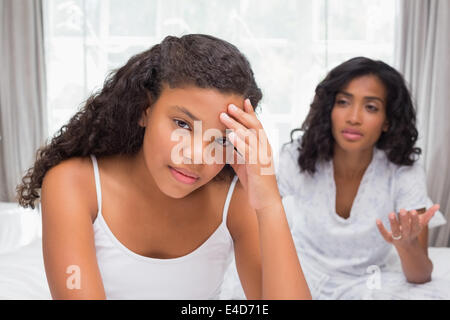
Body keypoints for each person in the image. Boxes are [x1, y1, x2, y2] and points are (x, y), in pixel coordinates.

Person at [17, 34, 311, 300]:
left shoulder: (234, 198)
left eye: (221, 139)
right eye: (182, 124)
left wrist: (269, 202)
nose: (197, 157)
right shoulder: (74, 184)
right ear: (145, 110)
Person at [277, 57, 448, 299]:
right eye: (343, 102)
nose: (354, 117)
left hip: (368, 282)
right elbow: (255, 209)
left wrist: (406, 245)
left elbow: (420, 276)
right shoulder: (297, 155)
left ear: (388, 120)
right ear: (330, 109)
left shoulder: (404, 171)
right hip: (300, 272)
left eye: (371, 107)